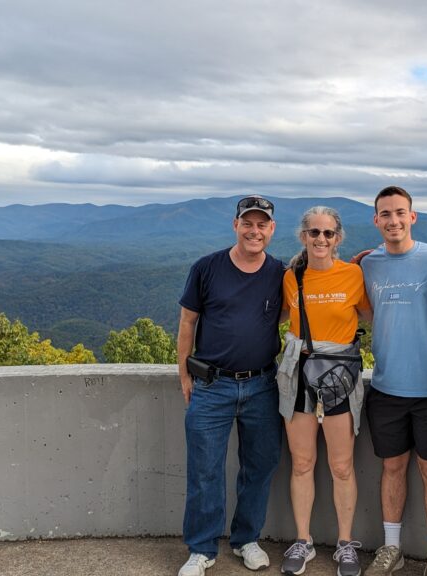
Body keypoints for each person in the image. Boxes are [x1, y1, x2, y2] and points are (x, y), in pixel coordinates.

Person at [176, 195, 285, 576]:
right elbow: (187, 322)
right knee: (204, 470)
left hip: (263, 385)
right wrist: (184, 375)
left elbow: (316, 285)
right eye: (248, 223)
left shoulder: (280, 273)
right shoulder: (207, 268)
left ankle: (245, 540)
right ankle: (201, 549)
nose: (254, 231)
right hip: (213, 386)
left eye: (262, 224)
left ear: (272, 230)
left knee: (259, 466)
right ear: (235, 225)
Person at [356, 186, 427, 576]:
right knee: (392, 469)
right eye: (385, 214)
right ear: (376, 220)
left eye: (400, 213)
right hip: (386, 386)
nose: (393, 220)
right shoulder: (368, 264)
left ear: (413, 217)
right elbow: (353, 306)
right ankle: (391, 549)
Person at [276, 206, 371, 576]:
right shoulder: (290, 278)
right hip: (299, 376)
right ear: (303, 236)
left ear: (338, 238)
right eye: (314, 233)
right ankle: (304, 540)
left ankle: (345, 544)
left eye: (328, 234)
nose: (320, 240)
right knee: (302, 463)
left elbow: (372, 314)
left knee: (342, 466)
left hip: (339, 379)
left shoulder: (354, 275)